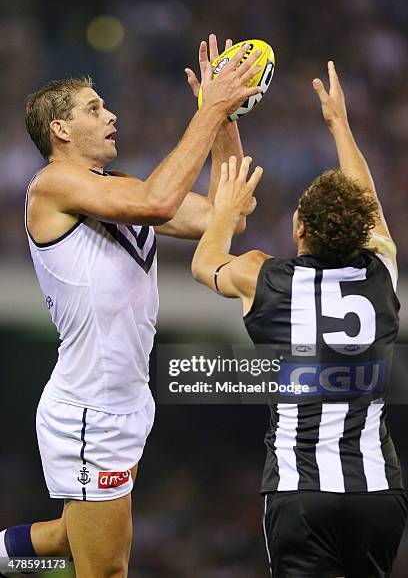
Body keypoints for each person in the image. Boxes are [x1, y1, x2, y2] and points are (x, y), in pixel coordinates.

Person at [0, 35, 262, 578]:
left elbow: (227, 218)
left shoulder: (115, 189)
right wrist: (208, 107)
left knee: (64, 540)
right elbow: (157, 203)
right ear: (61, 130)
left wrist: (226, 117)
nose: (111, 115)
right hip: (89, 408)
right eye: (94, 109)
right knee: (109, 570)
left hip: (126, 401)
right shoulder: (50, 186)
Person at [191, 61, 407, 577]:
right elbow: (371, 209)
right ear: (361, 231)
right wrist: (340, 125)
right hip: (377, 489)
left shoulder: (265, 278)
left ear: (300, 227)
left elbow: (204, 263)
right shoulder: (380, 272)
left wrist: (226, 205)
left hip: (299, 490)